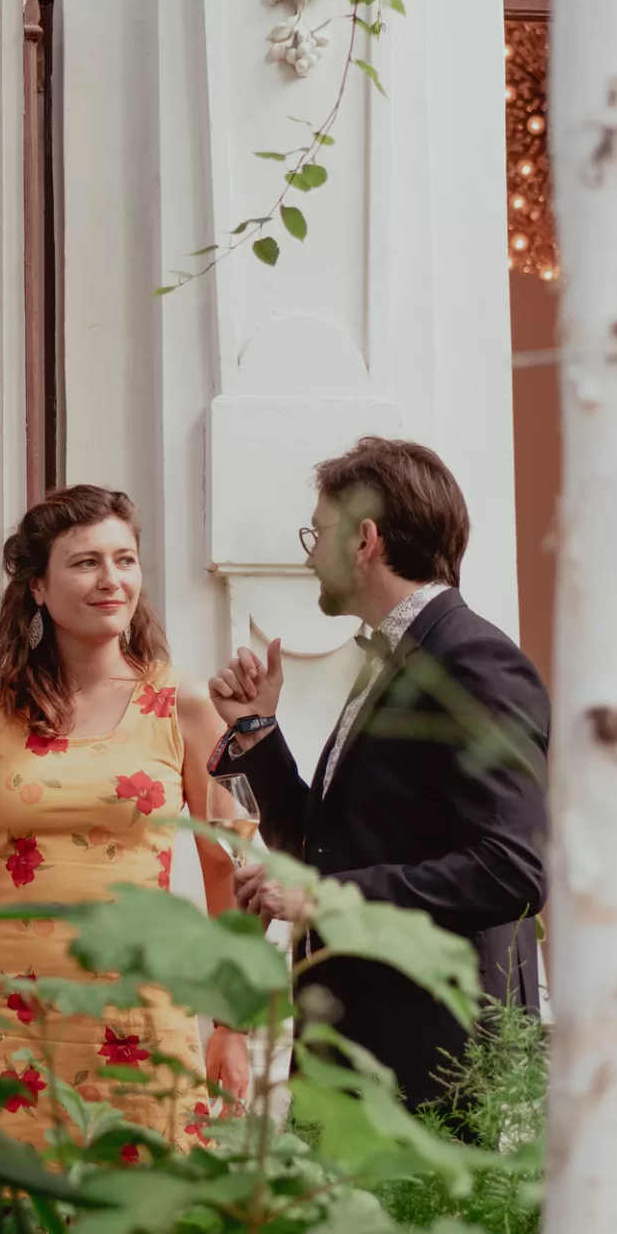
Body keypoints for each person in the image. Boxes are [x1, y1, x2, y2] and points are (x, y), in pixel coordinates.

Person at [207, 437, 549, 1109]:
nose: (310, 552)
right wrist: (258, 732)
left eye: (319, 531)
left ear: (365, 539)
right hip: (355, 1057)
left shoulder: (474, 659)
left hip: (436, 1067)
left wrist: (326, 897)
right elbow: (324, 847)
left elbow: (510, 869)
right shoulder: (393, 661)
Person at [0, 486, 251, 1150]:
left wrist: (233, 1024)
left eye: (124, 559)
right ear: (37, 586)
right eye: (86, 562)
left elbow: (227, 870)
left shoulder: (179, 700)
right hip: (10, 1025)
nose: (111, 579)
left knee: (148, 1232)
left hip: (143, 1023)